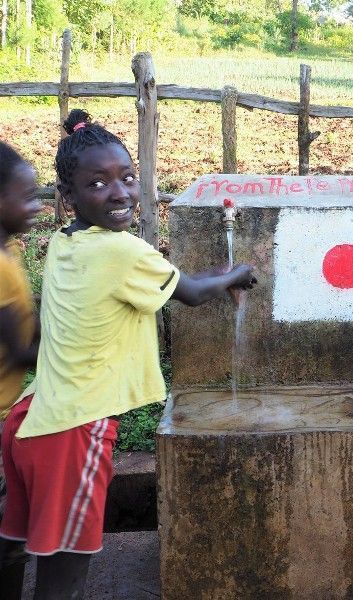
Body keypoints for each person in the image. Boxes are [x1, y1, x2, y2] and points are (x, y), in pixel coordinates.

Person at [0, 109, 257, 600]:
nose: (119, 193)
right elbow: (192, 293)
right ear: (69, 198)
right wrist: (236, 273)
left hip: (31, 419)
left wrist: (212, 275)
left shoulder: (65, 241)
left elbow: (156, 281)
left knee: (29, 553)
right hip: (73, 428)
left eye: (128, 178)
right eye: (99, 184)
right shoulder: (122, 251)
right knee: (64, 577)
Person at [0, 141, 42, 594]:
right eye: (27, 197)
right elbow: (20, 351)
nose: (36, 206)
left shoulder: (8, 252)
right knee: (7, 536)